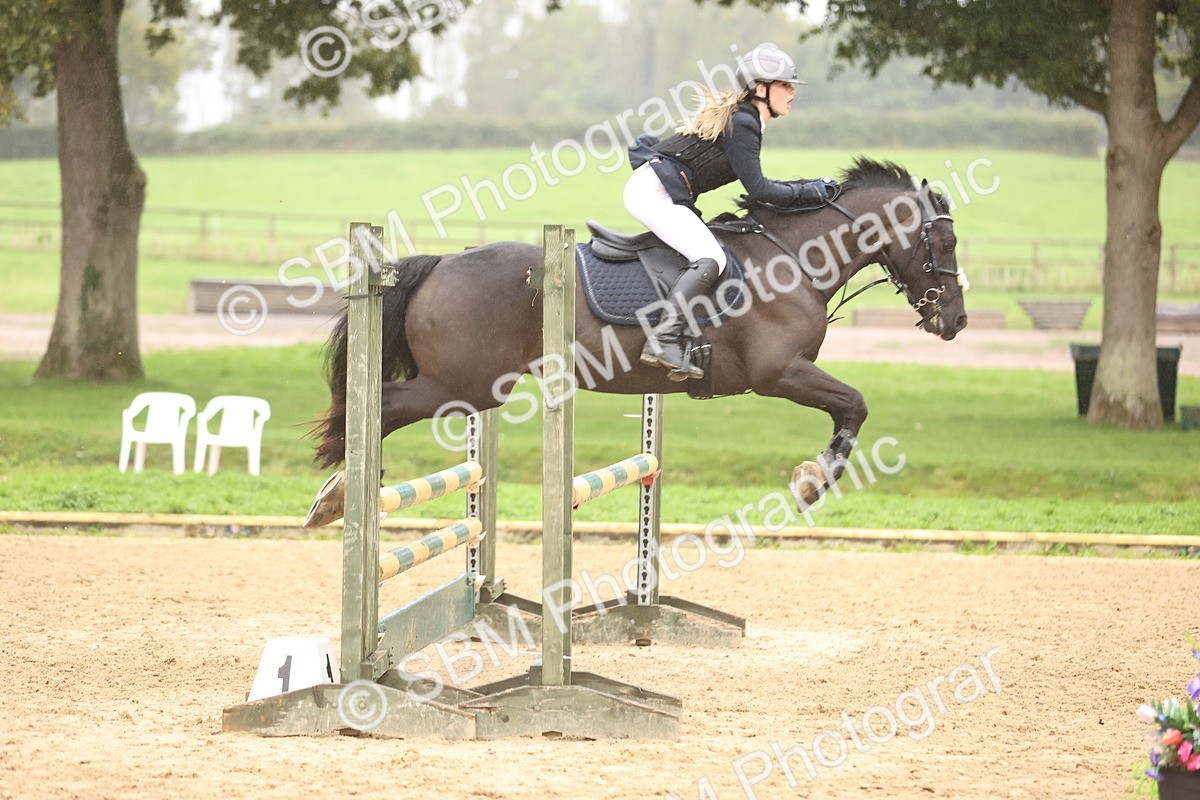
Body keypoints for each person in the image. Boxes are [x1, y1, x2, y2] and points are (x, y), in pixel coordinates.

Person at [624, 43, 838, 380]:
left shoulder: (746, 119)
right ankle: (663, 338)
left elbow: (760, 186)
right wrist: (810, 190)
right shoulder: (744, 123)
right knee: (712, 258)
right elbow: (761, 190)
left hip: (657, 189)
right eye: (784, 85)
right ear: (760, 89)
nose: (792, 92)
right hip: (653, 193)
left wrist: (810, 187)